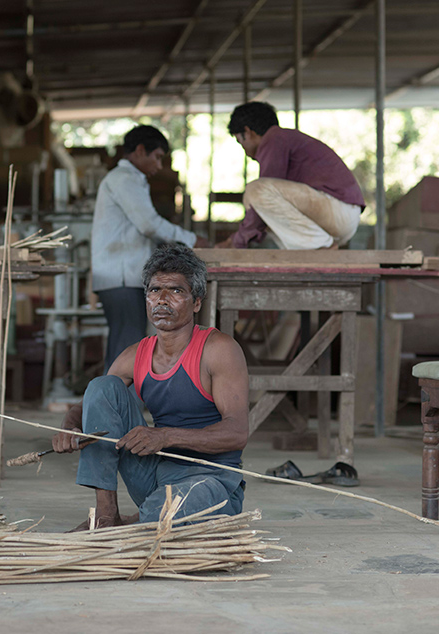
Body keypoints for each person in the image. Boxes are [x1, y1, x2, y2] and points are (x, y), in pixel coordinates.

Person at [53, 243, 249, 530]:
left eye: (176, 291)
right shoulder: (137, 354)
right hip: (155, 476)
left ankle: (139, 521)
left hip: (209, 481)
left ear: (196, 302)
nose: (162, 299)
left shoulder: (218, 349)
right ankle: (106, 515)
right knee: (102, 385)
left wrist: (164, 436)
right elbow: (96, 403)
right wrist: (69, 426)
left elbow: (237, 433)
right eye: (155, 290)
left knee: (159, 519)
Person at [91, 125, 209, 372]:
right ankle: (114, 405)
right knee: (127, 347)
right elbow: (148, 224)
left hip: (123, 275)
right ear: (140, 151)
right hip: (121, 277)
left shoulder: (131, 180)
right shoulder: (124, 179)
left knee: (124, 344)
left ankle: (112, 405)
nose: (159, 165)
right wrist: (190, 239)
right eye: (156, 157)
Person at [218, 101, 365, 251]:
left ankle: (318, 246)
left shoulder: (274, 138)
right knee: (263, 210)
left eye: (239, 141)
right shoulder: (284, 139)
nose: (243, 149)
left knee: (255, 191)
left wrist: (236, 242)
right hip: (342, 218)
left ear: (248, 132)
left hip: (338, 211)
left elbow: (261, 199)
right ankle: (315, 246)